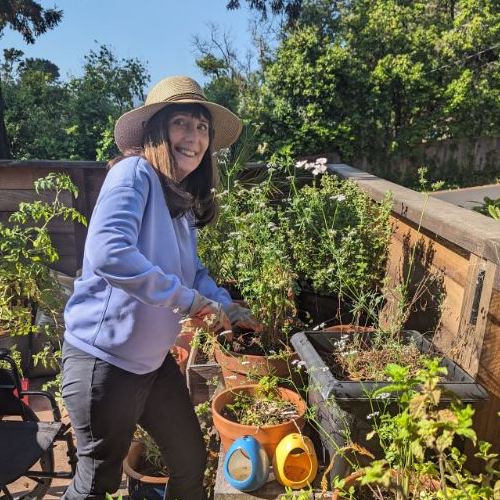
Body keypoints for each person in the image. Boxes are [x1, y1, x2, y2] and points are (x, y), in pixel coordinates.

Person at [61, 75, 260, 500]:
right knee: (95, 482)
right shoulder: (134, 173)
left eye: (202, 127)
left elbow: (193, 272)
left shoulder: (180, 201)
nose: (195, 137)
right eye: (182, 123)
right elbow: (110, 252)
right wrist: (190, 302)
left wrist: (227, 305)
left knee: (189, 462)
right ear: (156, 131)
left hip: (151, 366)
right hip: (104, 365)